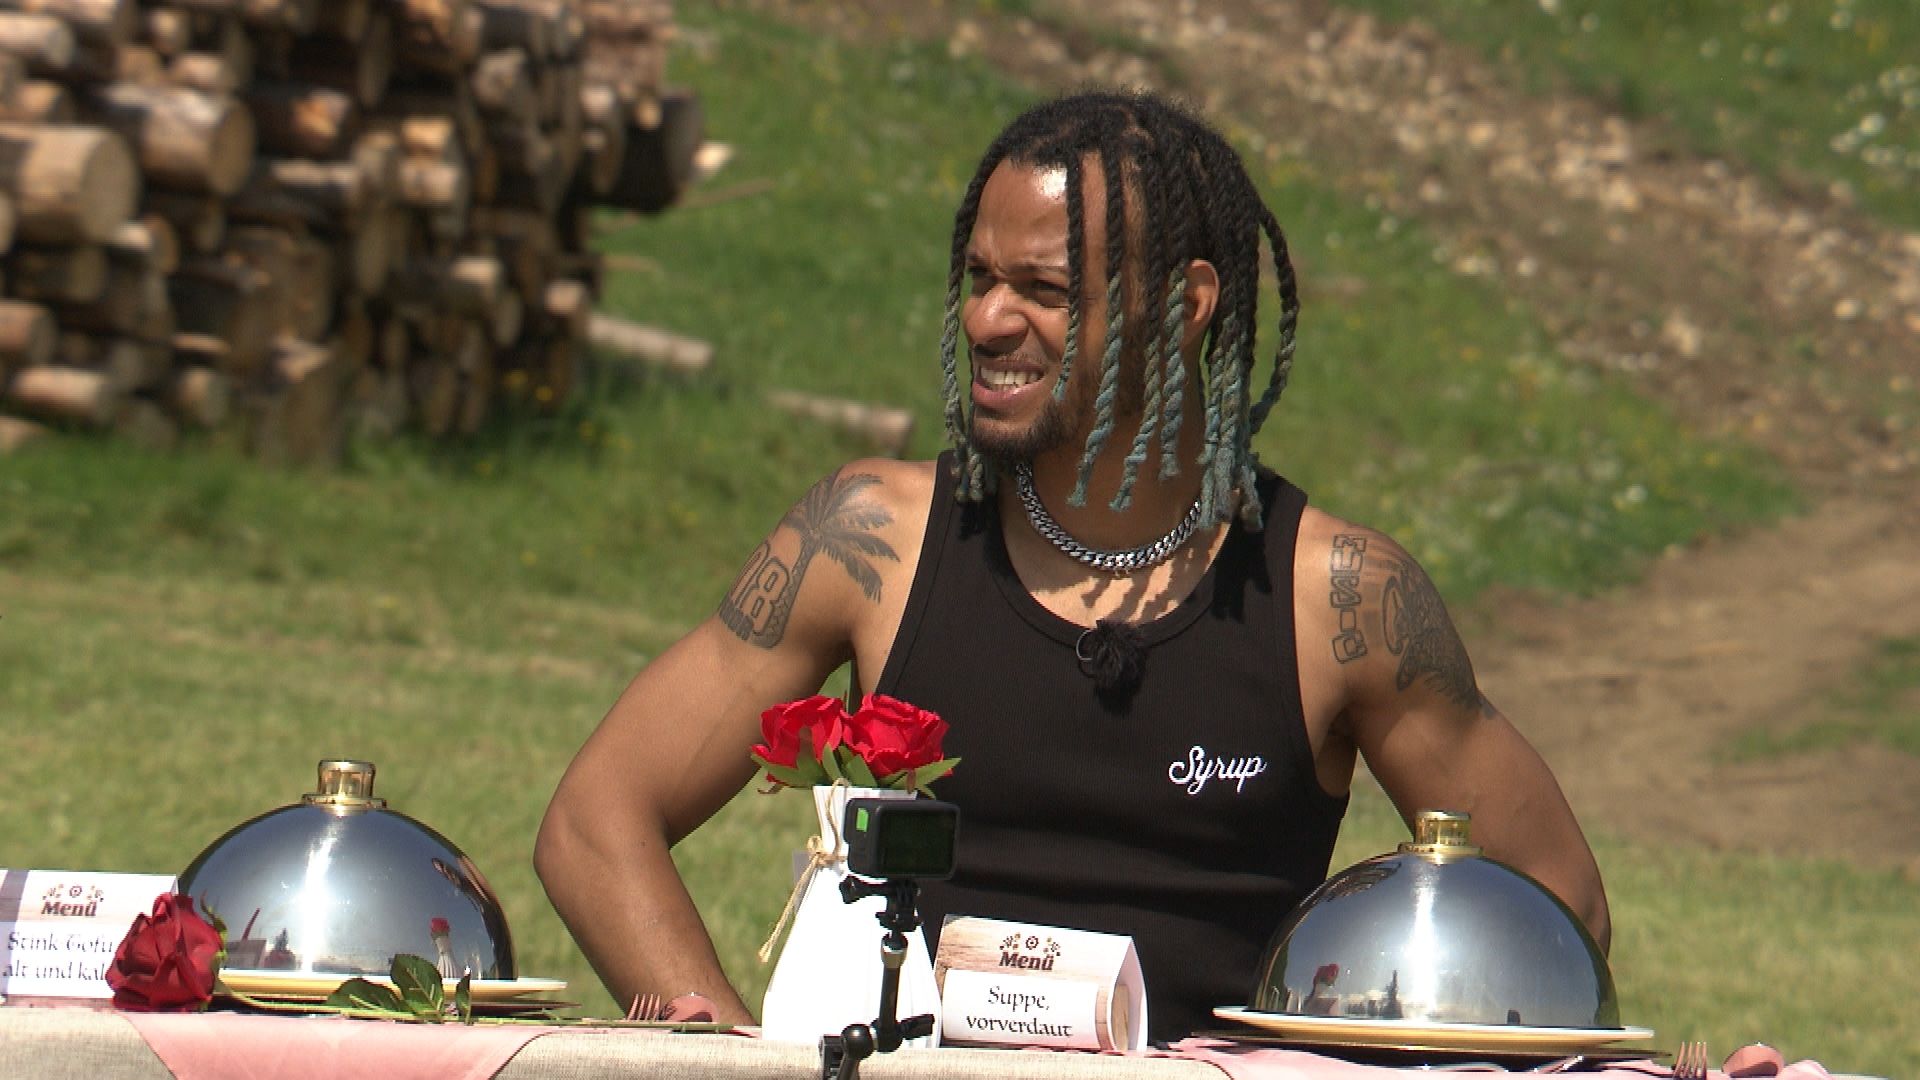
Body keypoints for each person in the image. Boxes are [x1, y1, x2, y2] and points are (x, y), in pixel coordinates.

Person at [535, 89, 1610, 1042]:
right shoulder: (867, 543)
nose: (985, 318)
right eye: (978, 277)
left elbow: (1553, 899)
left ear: (1184, 305)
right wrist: (722, 1052)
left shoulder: (1339, 600)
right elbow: (597, 820)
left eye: (1042, 288)